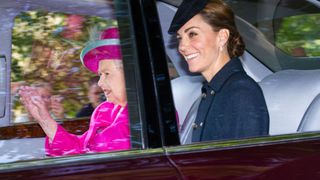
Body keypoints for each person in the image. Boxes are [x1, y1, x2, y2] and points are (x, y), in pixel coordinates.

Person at [19, 26, 131, 156]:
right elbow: (79, 149)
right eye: (100, 74)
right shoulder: (104, 111)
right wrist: (44, 119)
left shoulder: (147, 113)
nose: (100, 83)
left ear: (131, 73)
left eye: (106, 73)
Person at [168, 0, 269, 142]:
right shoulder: (212, 90)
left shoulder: (241, 92)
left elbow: (247, 161)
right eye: (180, 38)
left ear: (222, 37)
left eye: (192, 34)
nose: (182, 47)